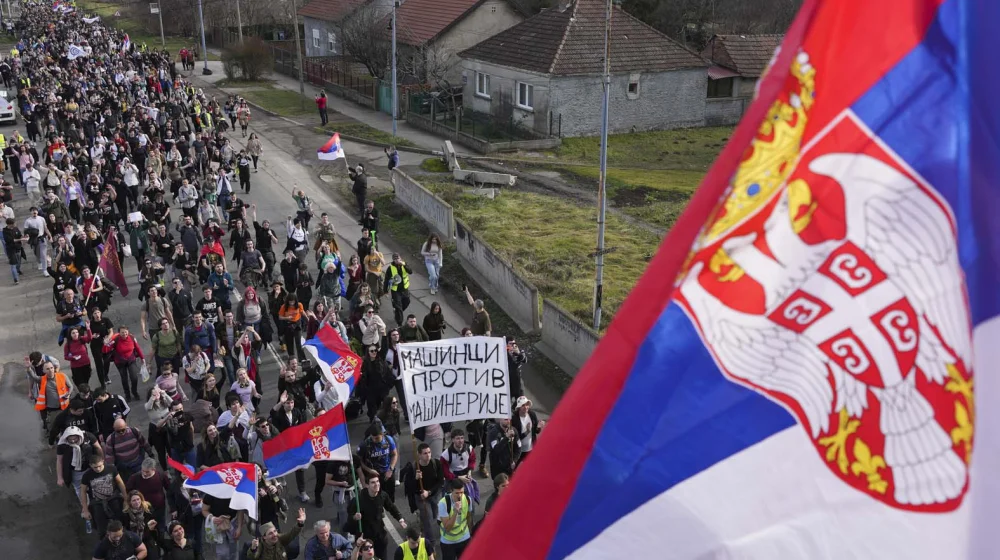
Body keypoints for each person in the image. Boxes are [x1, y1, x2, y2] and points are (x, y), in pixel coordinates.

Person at [348, 472, 407, 560]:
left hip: (380, 536)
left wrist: (400, 519)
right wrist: (355, 517)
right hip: (365, 538)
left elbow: (391, 507)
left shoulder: (383, 495)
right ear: (367, 485)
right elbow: (350, 516)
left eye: (377, 481)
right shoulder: (358, 499)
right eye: (373, 482)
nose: (376, 484)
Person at [56, 426, 103, 533]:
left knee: (94, 486)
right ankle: (85, 507)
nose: (73, 441)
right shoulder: (62, 444)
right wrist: (60, 477)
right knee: (79, 490)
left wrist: (101, 462)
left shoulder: (88, 436)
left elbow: (98, 448)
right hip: (74, 472)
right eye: (70, 439)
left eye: (75, 438)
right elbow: (59, 461)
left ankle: (96, 504)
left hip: (89, 467)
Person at [270, 391, 310, 503]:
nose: (290, 405)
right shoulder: (279, 414)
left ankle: (302, 492)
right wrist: (280, 402)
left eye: (291, 402)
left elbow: (302, 427)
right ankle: (282, 484)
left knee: (299, 468)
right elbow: (272, 413)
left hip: (296, 445)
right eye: (287, 403)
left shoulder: (297, 412)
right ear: (283, 404)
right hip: (283, 446)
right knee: (282, 466)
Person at [80, 453, 129, 538]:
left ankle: (124, 536)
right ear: (90, 465)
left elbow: (120, 482)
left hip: (113, 497)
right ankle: (104, 541)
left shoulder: (111, 468)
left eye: (100, 466)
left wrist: (126, 499)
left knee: (121, 518)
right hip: (97, 502)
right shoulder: (87, 475)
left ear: (103, 461)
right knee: (100, 524)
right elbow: (83, 491)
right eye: (95, 467)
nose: (98, 469)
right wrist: (85, 509)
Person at [409, 443, 443, 551]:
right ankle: (431, 544)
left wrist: (429, 492)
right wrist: (415, 479)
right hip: (421, 498)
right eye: (424, 453)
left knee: (435, 516)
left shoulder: (436, 463)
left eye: (429, 452)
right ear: (419, 455)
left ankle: (422, 520)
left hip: (434, 495)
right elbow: (409, 487)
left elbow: (440, 481)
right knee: (428, 519)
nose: (428, 455)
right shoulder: (414, 467)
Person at [358, 423, 398, 503]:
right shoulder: (365, 445)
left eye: (377, 438)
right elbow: (359, 461)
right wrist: (369, 470)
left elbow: (394, 454)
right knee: (376, 497)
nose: (375, 440)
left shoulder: (388, 440)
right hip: (373, 475)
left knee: (390, 497)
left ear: (382, 434)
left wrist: (391, 469)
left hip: (387, 472)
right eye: (373, 438)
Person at [103, 325, 145, 402]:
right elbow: (106, 350)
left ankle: (134, 392)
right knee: (124, 379)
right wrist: (106, 344)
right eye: (122, 332)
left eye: (125, 332)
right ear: (119, 333)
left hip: (131, 360)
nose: (124, 334)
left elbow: (137, 348)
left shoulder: (132, 338)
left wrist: (142, 358)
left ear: (128, 332)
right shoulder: (115, 340)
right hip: (120, 362)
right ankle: (127, 395)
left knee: (134, 378)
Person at [105, 417, 154, 482]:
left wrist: (150, 453)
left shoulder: (134, 432)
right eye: (118, 431)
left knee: (144, 480)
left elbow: (144, 443)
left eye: (123, 430)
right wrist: (112, 471)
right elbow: (109, 456)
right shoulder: (111, 440)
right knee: (131, 483)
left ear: (126, 425)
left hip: (138, 462)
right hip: (124, 468)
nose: (121, 432)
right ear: (114, 429)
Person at [35, 360, 74, 431]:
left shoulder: (62, 376)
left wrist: (68, 394)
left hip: (64, 407)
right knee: (54, 427)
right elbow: (33, 377)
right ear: (43, 371)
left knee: (67, 426)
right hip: (52, 410)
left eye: (51, 367)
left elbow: (70, 386)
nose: (50, 370)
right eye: (47, 369)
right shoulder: (42, 379)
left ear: (54, 368)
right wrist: (28, 369)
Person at [437, 479, 471, 560]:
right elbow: (447, 528)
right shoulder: (443, 503)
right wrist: (455, 512)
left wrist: (470, 533)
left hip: (464, 537)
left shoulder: (467, 499)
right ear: (451, 491)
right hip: (449, 541)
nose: (459, 495)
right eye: (457, 493)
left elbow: (469, 517)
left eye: (462, 492)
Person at [511, 396, 545, 467]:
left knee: (530, 467)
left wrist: (539, 427)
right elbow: (516, 437)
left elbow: (535, 431)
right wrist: (527, 432)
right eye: (523, 405)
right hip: (518, 450)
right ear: (519, 407)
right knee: (513, 468)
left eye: (527, 405)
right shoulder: (514, 419)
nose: (526, 407)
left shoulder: (532, 414)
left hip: (530, 448)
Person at [383, 254, 412, 327]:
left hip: (404, 289)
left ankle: (397, 312)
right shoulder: (390, 268)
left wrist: (404, 265)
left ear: (400, 258)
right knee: (398, 307)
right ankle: (400, 324)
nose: (397, 260)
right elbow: (386, 280)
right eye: (395, 259)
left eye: (398, 258)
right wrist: (385, 291)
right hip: (396, 290)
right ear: (393, 260)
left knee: (407, 302)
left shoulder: (404, 264)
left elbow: (410, 272)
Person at [2, 217, 27, 284]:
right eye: (13, 224)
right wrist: (21, 240)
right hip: (11, 250)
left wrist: (24, 237)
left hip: (18, 248)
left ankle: (18, 270)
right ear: (9, 224)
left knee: (18, 262)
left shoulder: (15, 228)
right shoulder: (5, 231)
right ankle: (16, 279)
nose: (14, 225)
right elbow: (11, 240)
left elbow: (19, 235)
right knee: (13, 264)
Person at [507, 338, 527, 404]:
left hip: (518, 381)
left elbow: (525, 360)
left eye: (514, 343)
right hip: (508, 382)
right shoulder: (503, 353)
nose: (513, 345)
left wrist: (518, 354)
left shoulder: (519, 351)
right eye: (510, 344)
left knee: (521, 402)